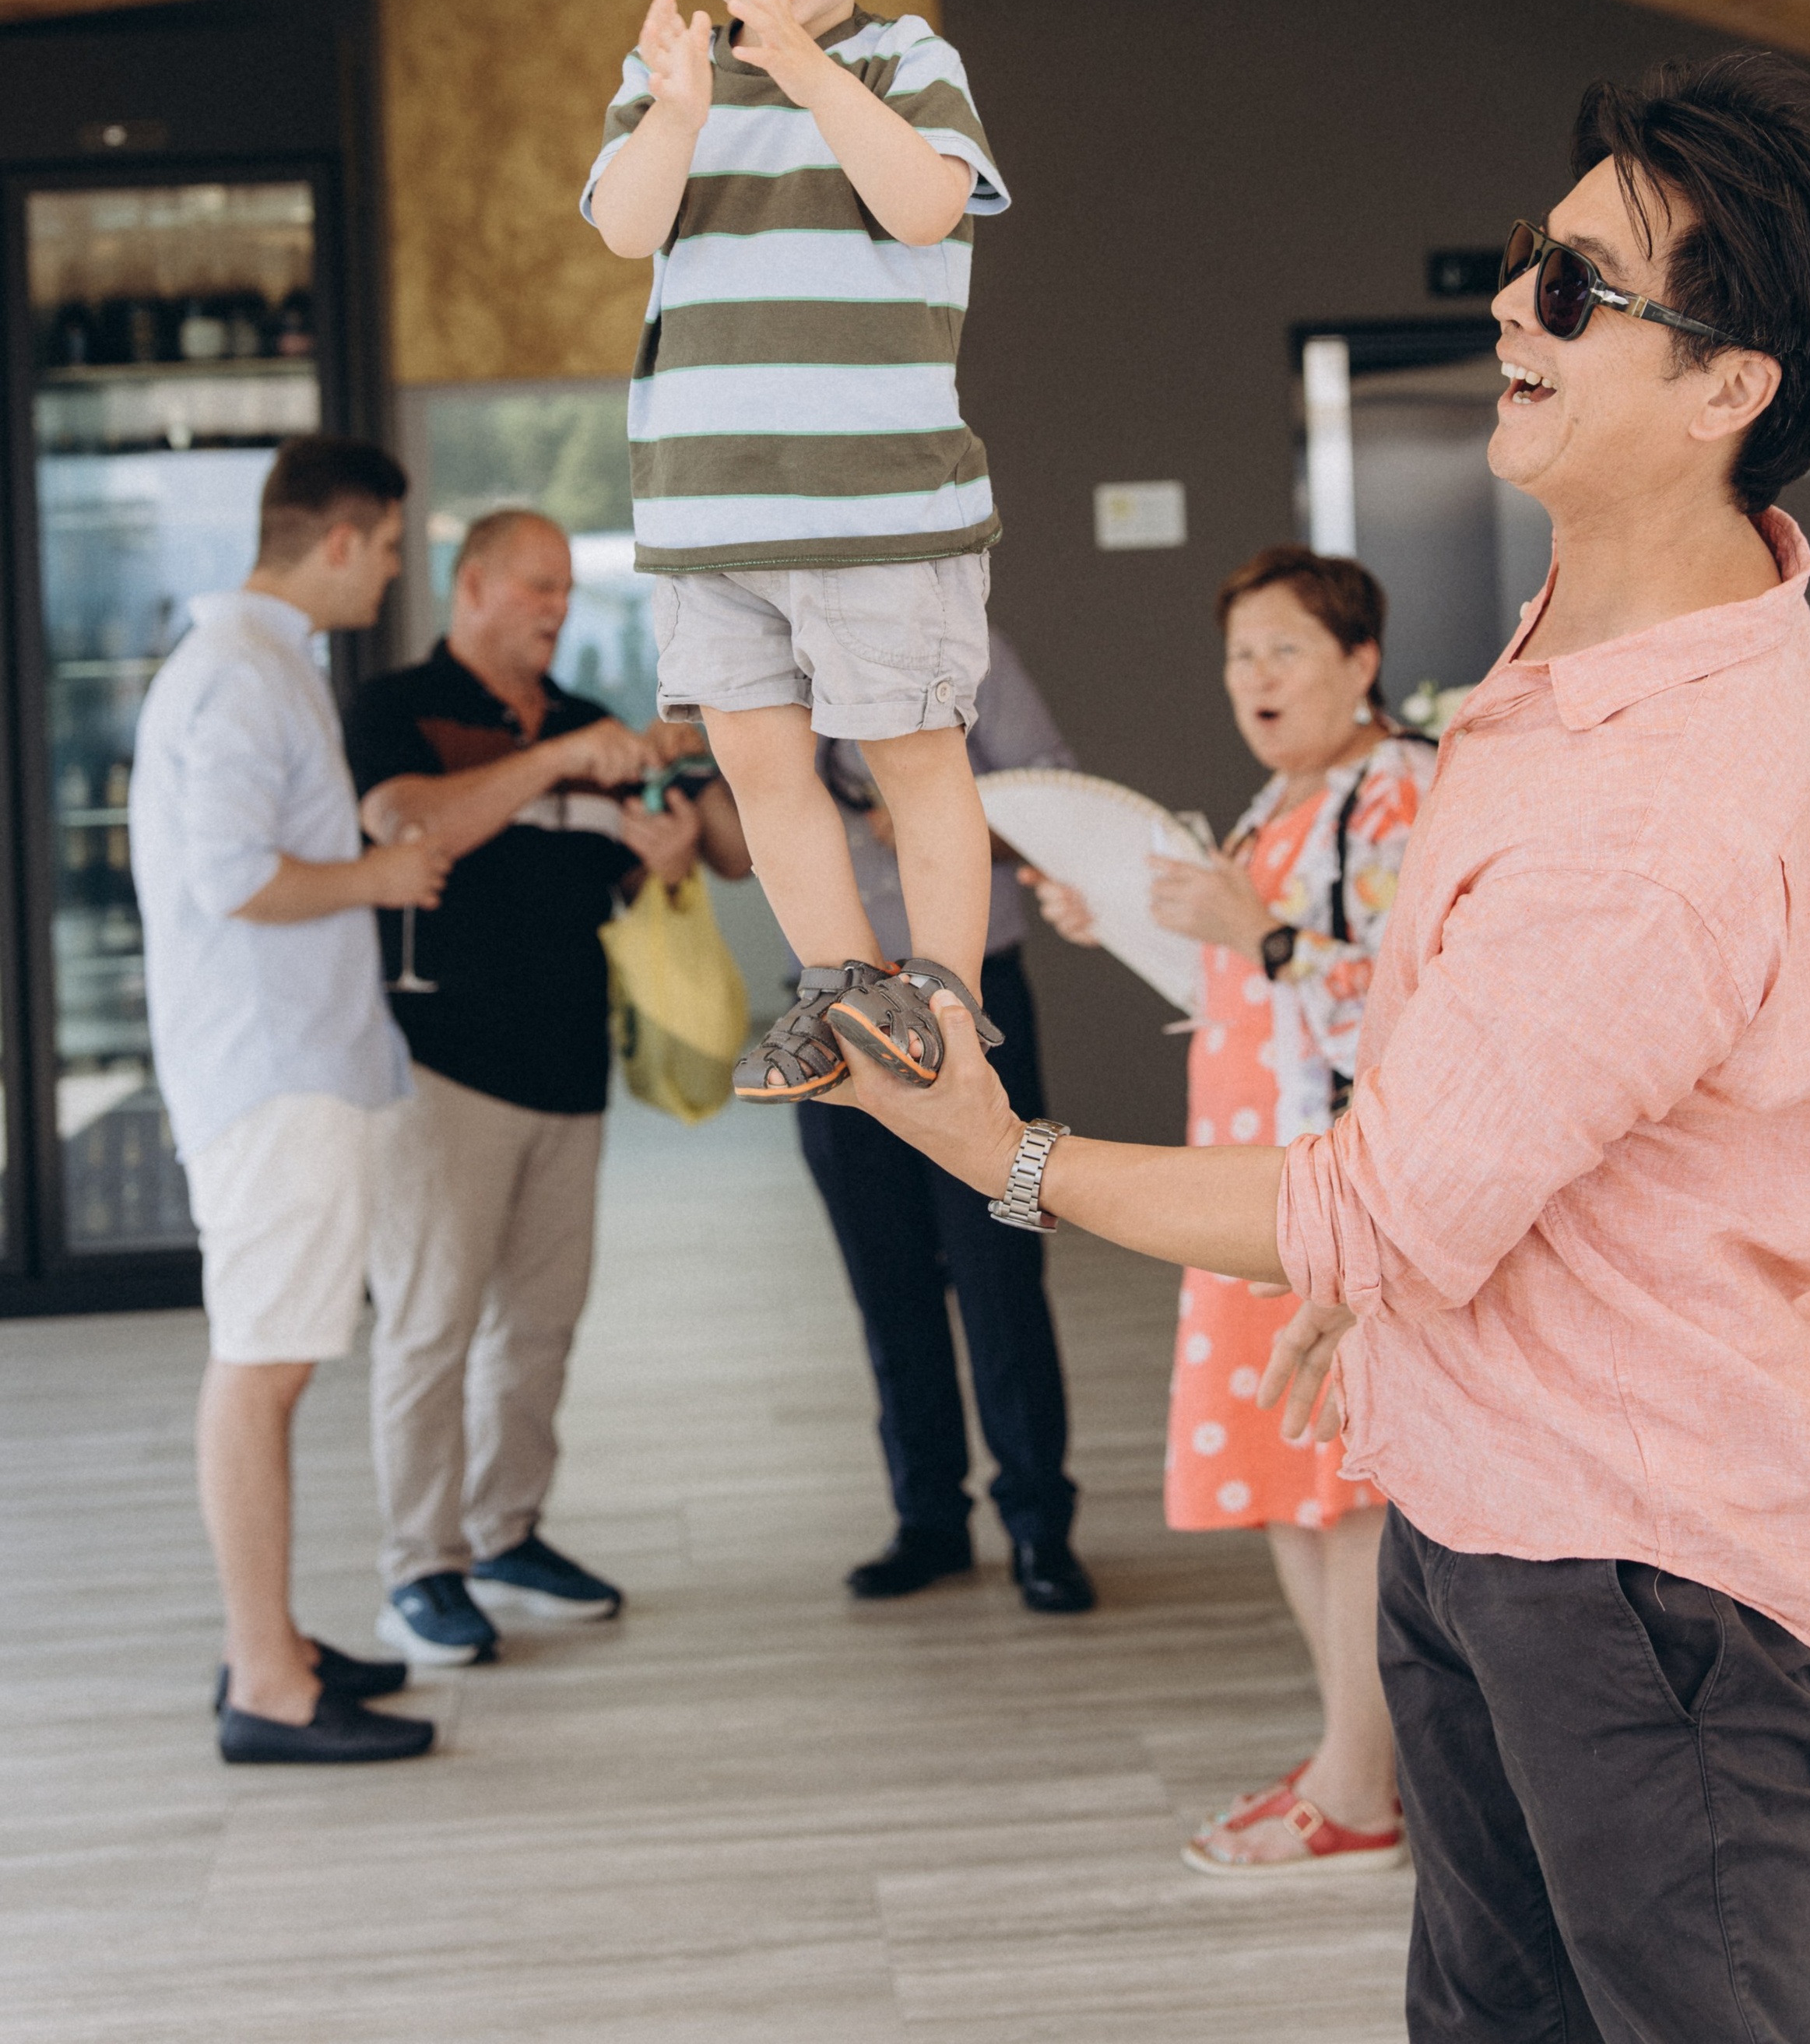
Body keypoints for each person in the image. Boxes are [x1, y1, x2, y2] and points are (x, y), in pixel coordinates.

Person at [824, 47, 1810, 2044]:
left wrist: (1006, 1156)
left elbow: (1381, 1194)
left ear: (1725, 387)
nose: (1507, 305)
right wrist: (1389, 1310)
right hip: (1481, 1510)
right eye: (1525, 258)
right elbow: (1466, 1128)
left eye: (1574, 290)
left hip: (1628, 1584)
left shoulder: (1656, 808)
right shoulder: (1583, 642)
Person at [584, 0, 1009, 1106]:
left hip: (880, 507)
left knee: (910, 755)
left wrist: (809, 67)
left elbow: (928, 200)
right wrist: (680, 112)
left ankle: (940, 989)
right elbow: (627, 232)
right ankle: (840, 984)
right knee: (761, 764)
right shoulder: (668, 85)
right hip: (714, 520)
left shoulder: (905, 65)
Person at [1032, 550, 1435, 1867]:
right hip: (1248, 1181)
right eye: (1239, 657)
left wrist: (1254, 927)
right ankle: (1347, 1756)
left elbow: (1411, 1003)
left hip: (1329, 1184)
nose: (1253, 681)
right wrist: (1129, 926)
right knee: (1282, 1471)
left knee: (1350, 1480)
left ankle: (1362, 1786)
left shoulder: (1401, 791)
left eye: (1285, 653)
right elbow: (1243, 988)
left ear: (1360, 662)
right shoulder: (1287, 797)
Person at [345, 509, 750, 1667]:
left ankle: (506, 1535)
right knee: (430, 1327)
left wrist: (682, 786)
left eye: (565, 589)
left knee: (541, 1329)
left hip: (571, 1071)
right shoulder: (397, 708)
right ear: (469, 586)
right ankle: (419, 1570)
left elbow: (726, 852)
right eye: (535, 586)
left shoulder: (591, 724)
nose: (556, 607)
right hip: (441, 1069)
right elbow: (405, 821)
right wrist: (558, 761)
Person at [129, 435, 447, 1765]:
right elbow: (233, 880)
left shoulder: (263, 668)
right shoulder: (243, 677)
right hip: (272, 1079)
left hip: (298, 1063)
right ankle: (265, 1680)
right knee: (258, 1371)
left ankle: (274, 1642)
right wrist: (378, 880)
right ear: (336, 540)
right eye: (385, 549)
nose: (389, 575)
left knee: (278, 1361)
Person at [803, 629, 1094, 1614]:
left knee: (1000, 1277)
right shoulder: (768, 676)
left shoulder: (961, 648)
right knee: (887, 1290)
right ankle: (926, 1519)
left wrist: (938, 818)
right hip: (835, 1019)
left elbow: (1057, 798)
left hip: (970, 1003)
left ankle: (1038, 1528)